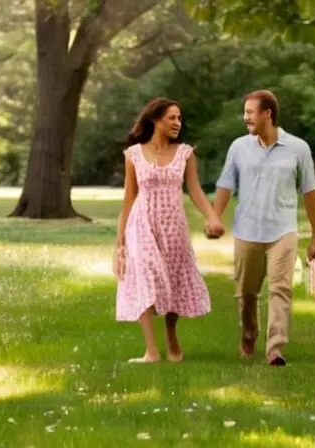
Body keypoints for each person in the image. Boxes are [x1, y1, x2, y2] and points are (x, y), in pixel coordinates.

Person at [209, 89, 315, 367]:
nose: (245, 118)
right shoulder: (239, 147)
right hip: (247, 230)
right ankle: (249, 335)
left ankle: (275, 349)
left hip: (283, 231)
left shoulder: (298, 148)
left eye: (250, 112)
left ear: (267, 113)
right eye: (245, 112)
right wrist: (215, 217)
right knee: (247, 294)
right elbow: (226, 184)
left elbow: (310, 191)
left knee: (281, 289)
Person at [114, 97, 224, 364]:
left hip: (174, 226)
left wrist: (212, 217)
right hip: (142, 225)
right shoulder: (134, 154)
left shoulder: (185, 153)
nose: (177, 123)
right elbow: (129, 199)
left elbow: (195, 190)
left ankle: (171, 334)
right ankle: (151, 351)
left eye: (179, 118)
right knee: (145, 277)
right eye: (172, 118)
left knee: (174, 279)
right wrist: (120, 243)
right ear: (156, 120)